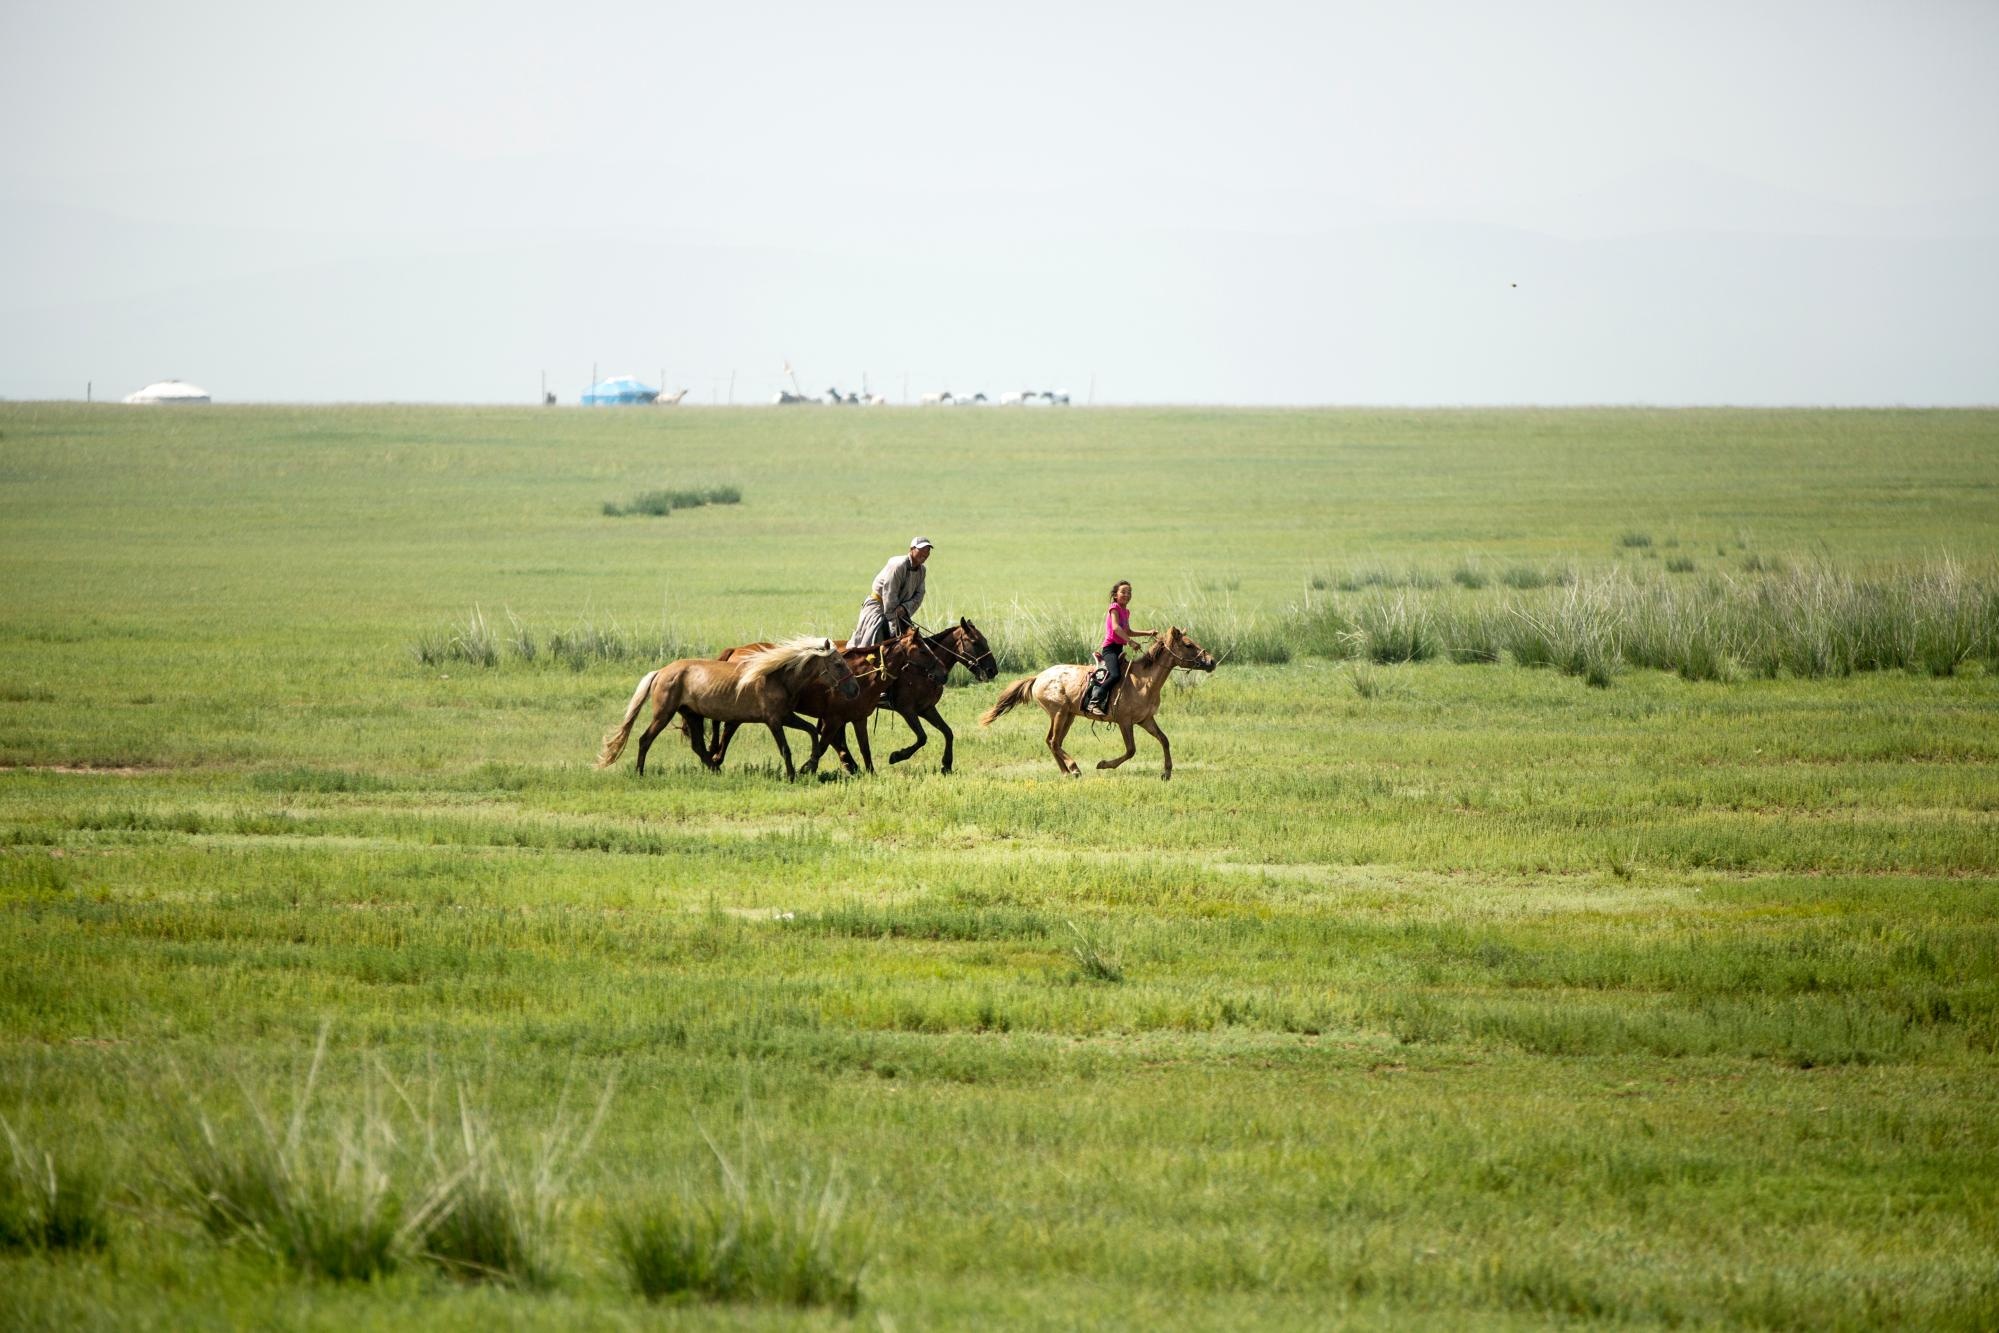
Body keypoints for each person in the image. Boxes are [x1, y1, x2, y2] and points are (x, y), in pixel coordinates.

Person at [1083, 579, 1156, 718]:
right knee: (1115, 675)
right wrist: (1131, 643)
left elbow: (1127, 631)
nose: (1127, 594)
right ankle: (1094, 702)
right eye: (1123, 592)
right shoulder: (1114, 607)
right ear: (1116, 595)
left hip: (1119, 649)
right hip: (1110, 649)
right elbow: (1116, 628)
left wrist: (1147, 633)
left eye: (1129, 592)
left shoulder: (1126, 611)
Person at [852, 538, 932, 648]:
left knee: (915, 644)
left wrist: (904, 608)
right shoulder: (898, 565)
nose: (925, 553)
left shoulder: (922, 570)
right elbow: (890, 592)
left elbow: (919, 595)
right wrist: (893, 621)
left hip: (900, 611)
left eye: (928, 550)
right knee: (873, 642)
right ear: (911, 549)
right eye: (921, 549)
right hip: (879, 607)